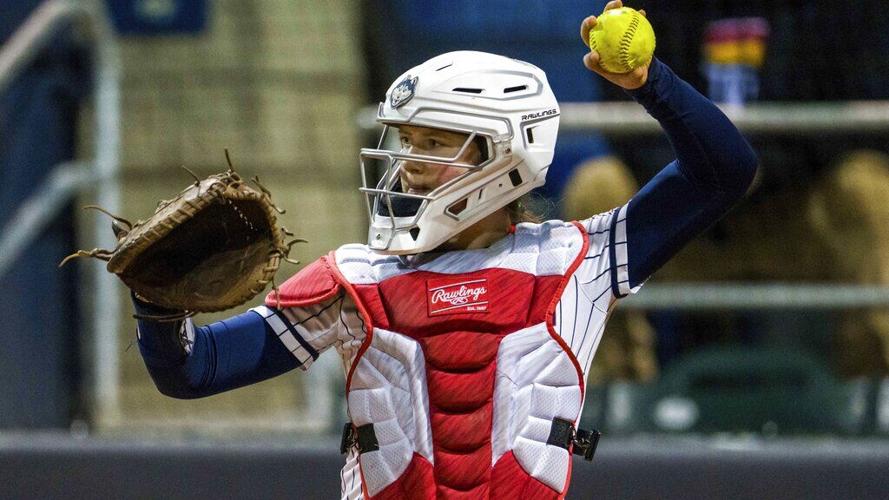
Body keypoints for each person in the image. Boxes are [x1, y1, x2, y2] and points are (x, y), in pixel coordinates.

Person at [133, 2, 757, 498]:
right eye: (406, 142)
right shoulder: (357, 279)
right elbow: (193, 370)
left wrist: (652, 84)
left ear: (500, 153)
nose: (408, 166)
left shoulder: (576, 261)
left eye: (432, 142)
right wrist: (157, 304)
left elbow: (725, 171)